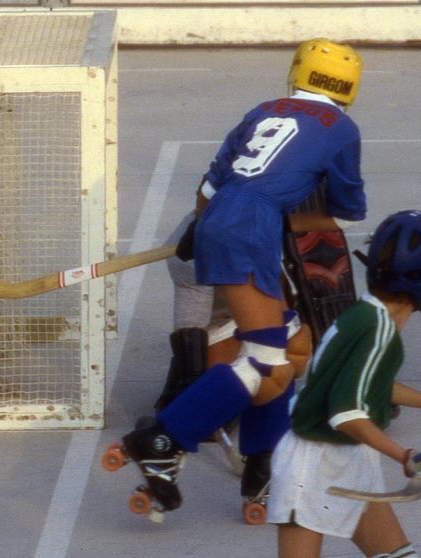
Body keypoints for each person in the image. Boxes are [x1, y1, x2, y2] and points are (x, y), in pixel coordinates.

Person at [113, 39, 367, 517]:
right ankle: (163, 438)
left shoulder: (264, 109)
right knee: (267, 357)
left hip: (222, 218)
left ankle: (263, 463)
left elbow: (209, 186)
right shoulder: (342, 128)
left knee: (289, 346)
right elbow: (348, 215)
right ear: (349, 89)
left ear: (297, 73)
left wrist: (199, 228)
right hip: (252, 229)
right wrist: (283, 220)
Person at [268, 210, 421, 558]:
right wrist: (406, 456)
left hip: (348, 456)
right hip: (313, 464)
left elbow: (371, 384)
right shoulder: (378, 330)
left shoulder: (368, 317)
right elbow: (345, 412)